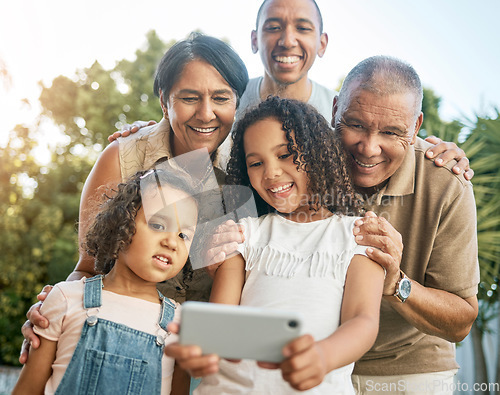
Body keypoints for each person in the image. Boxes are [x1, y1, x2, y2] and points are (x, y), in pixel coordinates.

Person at [19, 32, 249, 363]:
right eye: (188, 98)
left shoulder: (248, 168)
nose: (206, 113)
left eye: (222, 98)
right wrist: (52, 314)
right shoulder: (124, 158)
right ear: (163, 100)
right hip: (115, 340)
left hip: (200, 354)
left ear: (237, 103)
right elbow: (87, 268)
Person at [110, 0, 473, 181]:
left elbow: (386, 140)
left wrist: (442, 151)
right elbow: (191, 124)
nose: (287, 40)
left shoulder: (344, 117)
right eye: (273, 27)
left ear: (322, 42)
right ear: (255, 40)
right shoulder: (227, 101)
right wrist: (156, 127)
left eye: (302, 27)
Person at [167, 96, 385, 394]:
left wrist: (322, 356)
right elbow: (221, 323)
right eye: (256, 163)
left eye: (285, 155)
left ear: (319, 154)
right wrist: (203, 347)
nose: (270, 173)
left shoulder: (357, 236)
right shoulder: (244, 234)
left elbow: (363, 321)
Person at [332, 56, 479, 394]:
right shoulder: (301, 159)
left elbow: (461, 320)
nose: (369, 148)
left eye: (391, 132)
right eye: (355, 124)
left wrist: (396, 284)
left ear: (415, 128)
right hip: (319, 356)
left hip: (408, 367)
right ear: (336, 109)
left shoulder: (447, 184)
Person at [13, 168, 201, 395]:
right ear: (121, 224)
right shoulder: (66, 298)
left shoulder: (181, 325)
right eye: (158, 225)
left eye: (184, 235)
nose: (172, 242)